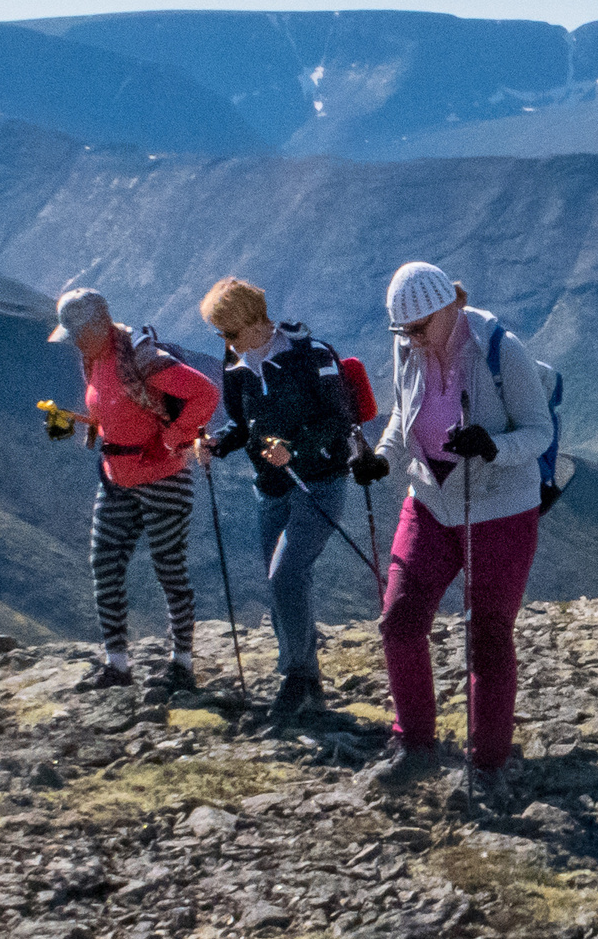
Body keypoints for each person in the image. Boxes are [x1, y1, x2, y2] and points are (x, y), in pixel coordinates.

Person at [369, 261, 554, 795]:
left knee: (488, 635)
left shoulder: (503, 351)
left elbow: (538, 432)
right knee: (399, 619)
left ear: (446, 308)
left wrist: (493, 447)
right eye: (403, 331)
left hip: (500, 510)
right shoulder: (409, 347)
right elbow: (403, 420)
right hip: (429, 500)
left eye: (418, 328)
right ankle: (413, 744)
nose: (410, 339)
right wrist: (382, 459)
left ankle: (487, 765)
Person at [197, 277, 387, 724]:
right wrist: (215, 445)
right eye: (220, 335)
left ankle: (296, 678)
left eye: (229, 332)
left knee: (285, 575)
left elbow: (339, 418)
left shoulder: (311, 355)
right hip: (271, 488)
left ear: (253, 320)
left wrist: (295, 449)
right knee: (282, 582)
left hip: (319, 482)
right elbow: (242, 427)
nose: (225, 342)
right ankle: (310, 687)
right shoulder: (236, 365)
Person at [50, 285, 221, 695]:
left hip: (162, 478)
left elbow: (205, 392)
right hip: (115, 478)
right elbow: (109, 415)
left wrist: (175, 437)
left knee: (169, 570)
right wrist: (71, 421)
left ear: (99, 326)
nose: (73, 342)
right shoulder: (91, 358)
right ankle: (117, 666)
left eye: (77, 334)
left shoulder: (142, 357)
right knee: (104, 565)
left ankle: (181, 665)